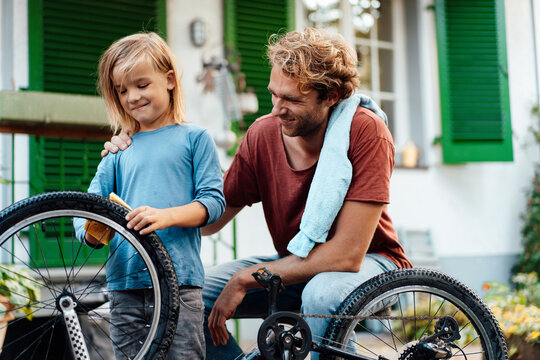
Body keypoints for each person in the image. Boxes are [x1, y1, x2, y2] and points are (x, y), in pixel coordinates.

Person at [103, 28, 411, 360]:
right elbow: (210, 218)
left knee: (322, 294)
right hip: (295, 264)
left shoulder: (365, 131)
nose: (277, 109)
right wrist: (149, 154)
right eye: (274, 94)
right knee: (186, 296)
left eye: (292, 99)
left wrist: (244, 279)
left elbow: (346, 256)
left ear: (331, 96)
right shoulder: (263, 134)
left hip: (370, 264)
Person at [76, 32, 225, 359]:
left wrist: (165, 216)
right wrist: (90, 232)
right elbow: (87, 208)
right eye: (122, 90)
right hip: (124, 286)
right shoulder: (119, 150)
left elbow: (213, 203)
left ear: (170, 80)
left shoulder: (195, 138)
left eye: (142, 85)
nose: (132, 97)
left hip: (180, 284)